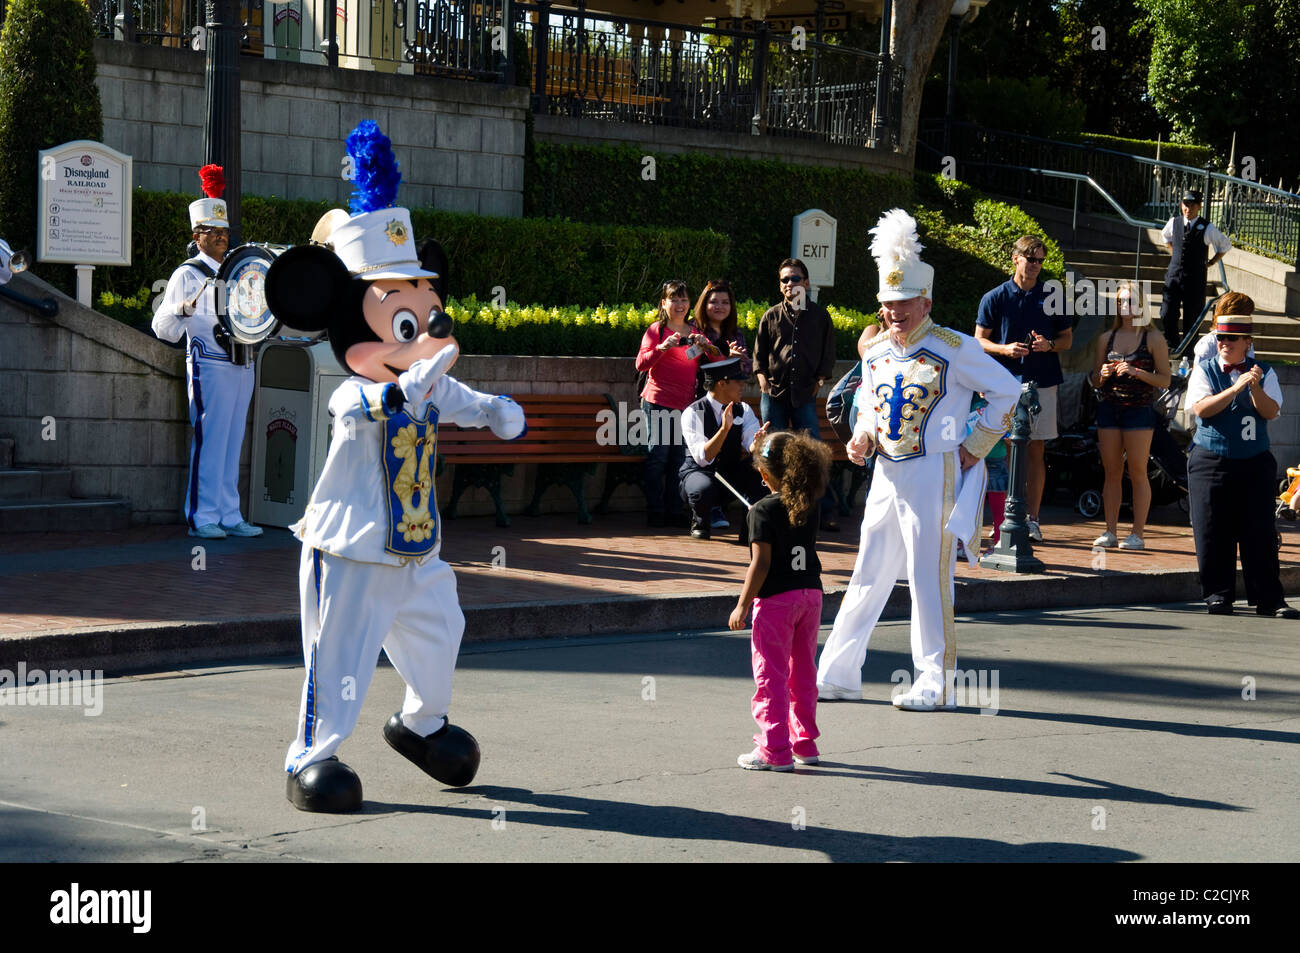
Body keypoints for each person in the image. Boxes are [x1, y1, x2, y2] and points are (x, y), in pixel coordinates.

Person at [817, 209, 1020, 710]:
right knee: (867, 571)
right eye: (887, 303)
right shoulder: (877, 350)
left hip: (934, 470)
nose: (894, 312)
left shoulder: (955, 346)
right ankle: (839, 673)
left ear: (925, 300)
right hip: (886, 471)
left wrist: (975, 447)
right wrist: (861, 435)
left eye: (904, 302)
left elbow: (1007, 390)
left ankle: (936, 680)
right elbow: (867, 400)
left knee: (930, 575)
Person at [152, 164, 262, 540]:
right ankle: (202, 516)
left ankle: (230, 514)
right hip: (209, 365)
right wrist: (178, 309)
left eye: (224, 231)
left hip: (241, 363)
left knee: (233, 442)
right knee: (211, 440)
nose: (220, 238)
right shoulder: (188, 273)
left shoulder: (242, 270)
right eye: (212, 232)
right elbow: (162, 329)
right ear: (197, 236)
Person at [1185, 293, 1298, 618]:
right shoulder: (1205, 370)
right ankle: (1218, 595)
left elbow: (1272, 411)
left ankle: (1269, 599)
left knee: (1259, 531)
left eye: (1232, 338)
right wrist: (1234, 389)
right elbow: (1201, 409)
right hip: (1212, 459)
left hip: (1253, 460)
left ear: (1247, 342)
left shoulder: (1265, 372)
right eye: (1221, 337)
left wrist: (1253, 388)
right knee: (1212, 529)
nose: (1225, 343)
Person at [729, 429, 832, 771]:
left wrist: (742, 604)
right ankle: (804, 741)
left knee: (770, 675)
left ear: (763, 475)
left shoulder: (761, 510)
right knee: (802, 670)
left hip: (776, 600)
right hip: (810, 594)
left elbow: (761, 564)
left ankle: (774, 749)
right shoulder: (810, 502)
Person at [975, 235, 1073, 542]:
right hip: (1003, 383)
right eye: (1031, 259)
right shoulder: (995, 297)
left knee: (1035, 448)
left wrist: (1049, 345)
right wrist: (1004, 350)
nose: (1035, 266)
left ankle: (1032, 519)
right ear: (1015, 258)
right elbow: (977, 340)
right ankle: (1002, 518)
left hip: (1042, 381)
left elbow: (1067, 340)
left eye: (1040, 261)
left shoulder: (1053, 296)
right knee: (1001, 452)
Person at [754, 258, 839, 531]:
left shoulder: (820, 316)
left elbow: (828, 353)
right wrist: (762, 381)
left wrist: (821, 379)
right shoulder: (770, 316)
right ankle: (774, 507)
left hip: (804, 394)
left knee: (812, 453)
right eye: (785, 280)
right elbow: (759, 355)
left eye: (795, 278)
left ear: (807, 282)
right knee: (771, 451)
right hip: (774, 393)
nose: (791, 284)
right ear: (780, 287)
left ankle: (821, 511)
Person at [1089, 280, 1171, 550]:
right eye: (1121, 302)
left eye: (1131, 301)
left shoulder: (1153, 338)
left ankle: (1137, 533)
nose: (1126, 307)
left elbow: (1165, 380)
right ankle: (1109, 531)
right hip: (1110, 409)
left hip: (1139, 411)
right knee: (1112, 471)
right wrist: (1101, 375)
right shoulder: (1106, 338)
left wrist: (1136, 372)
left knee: (1137, 471)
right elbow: (1094, 380)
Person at [635, 280, 720, 527]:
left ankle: (674, 510)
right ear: (664, 303)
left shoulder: (695, 332)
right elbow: (641, 364)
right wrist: (662, 347)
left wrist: (707, 346)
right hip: (658, 401)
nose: (680, 305)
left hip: (685, 406)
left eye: (684, 300)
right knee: (658, 457)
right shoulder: (656, 330)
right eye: (675, 300)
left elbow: (716, 357)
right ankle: (655, 510)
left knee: (678, 461)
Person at [679, 358, 769, 541]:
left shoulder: (743, 409)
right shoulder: (692, 412)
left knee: (760, 467)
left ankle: (749, 530)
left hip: (729, 473)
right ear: (721, 383)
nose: (743, 385)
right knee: (702, 489)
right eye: (738, 381)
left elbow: (750, 444)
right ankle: (700, 522)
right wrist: (723, 430)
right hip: (699, 473)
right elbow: (703, 458)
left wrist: (758, 442)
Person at [694, 279, 751, 530]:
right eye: (714, 301)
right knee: (701, 455)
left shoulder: (735, 335)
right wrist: (726, 359)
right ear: (704, 303)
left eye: (725, 302)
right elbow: (696, 368)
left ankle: (719, 505)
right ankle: (702, 507)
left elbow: (745, 371)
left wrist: (737, 361)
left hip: (726, 403)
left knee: (727, 453)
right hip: (698, 403)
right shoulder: (694, 332)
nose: (719, 306)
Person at [1161, 189, 1231, 352]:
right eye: (1185, 205)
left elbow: (1225, 245)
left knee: (1191, 317)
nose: (1188, 209)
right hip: (1174, 275)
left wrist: (1212, 261)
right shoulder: (1174, 222)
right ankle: (1171, 345)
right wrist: (1175, 252)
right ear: (1181, 205)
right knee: (1167, 312)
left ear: (1199, 207)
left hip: (1195, 278)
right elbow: (1166, 237)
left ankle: (1188, 351)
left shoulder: (1207, 228)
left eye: (1192, 205)